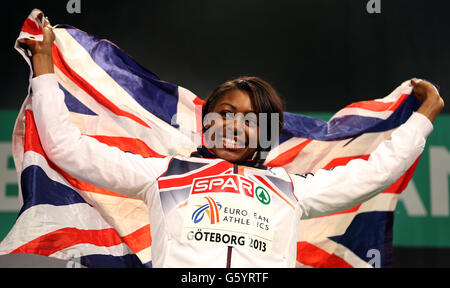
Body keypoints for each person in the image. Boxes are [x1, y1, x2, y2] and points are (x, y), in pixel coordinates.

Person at [25, 19, 444, 268]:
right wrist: (43, 66)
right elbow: (68, 149)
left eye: (249, 120)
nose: (233, 126)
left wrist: (422, 119)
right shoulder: (164, 173)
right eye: (224, 113)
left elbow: (375, 171)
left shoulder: (291, 187)